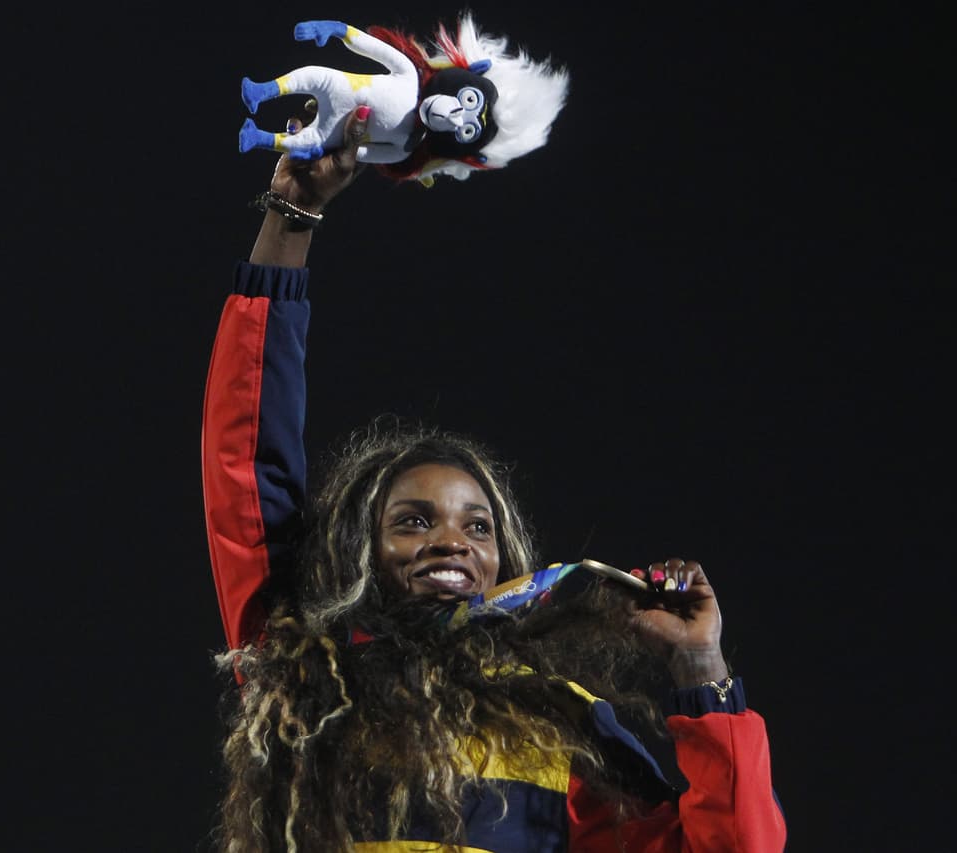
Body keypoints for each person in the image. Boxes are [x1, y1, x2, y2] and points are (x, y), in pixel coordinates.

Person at [201, 102, 788, 852]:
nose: (453, 542)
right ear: (355, 550)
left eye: (477, 525)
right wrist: (292, 216)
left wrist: (700, 667)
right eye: (414, 520)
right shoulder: (303, 672)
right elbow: (247, 458)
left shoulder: (564, 726)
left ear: (504, 559)